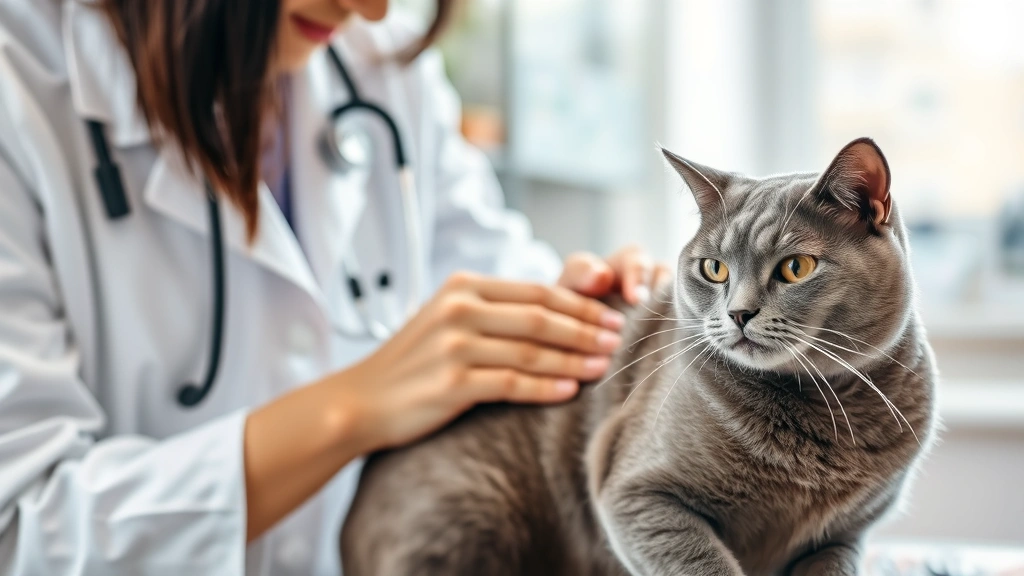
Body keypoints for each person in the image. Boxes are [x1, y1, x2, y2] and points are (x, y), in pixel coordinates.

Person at [0, 0, 669, 574]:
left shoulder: (382, 66)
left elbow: (490, 273)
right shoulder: (19, 80)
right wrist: (350, 409)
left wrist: (584, 312)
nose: (371, 10)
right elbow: (22, 530)